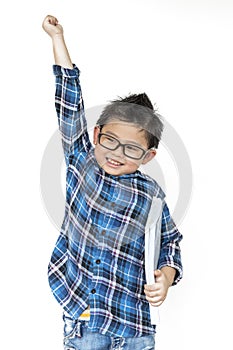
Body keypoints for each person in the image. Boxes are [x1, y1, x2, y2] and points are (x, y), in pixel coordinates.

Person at [42, 14, 183, 350]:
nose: (117, 153)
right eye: (110, 141)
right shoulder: (82, 162)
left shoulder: (150, 193)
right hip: (87, 316)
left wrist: (166, 276)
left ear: (148, 156)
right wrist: (57, 39)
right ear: (96, 135)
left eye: (132, 147)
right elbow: (69, 107)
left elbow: (171, 242)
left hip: (135, 324)